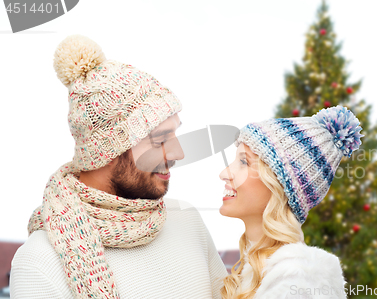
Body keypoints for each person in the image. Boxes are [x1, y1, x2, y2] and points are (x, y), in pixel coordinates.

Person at [10, 35, 227, 299]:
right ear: (107, 151)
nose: (178, 153)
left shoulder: (187, 222)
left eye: (174, 135)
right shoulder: (40, 263)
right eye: (160, 139)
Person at [218, 106, 364, 299]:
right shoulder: (257, 272)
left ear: (278, 185)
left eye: (244, 162)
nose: (224, 174)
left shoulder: (299, 281)